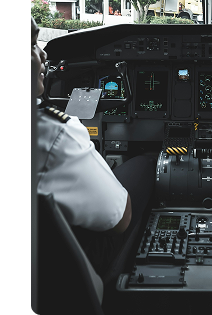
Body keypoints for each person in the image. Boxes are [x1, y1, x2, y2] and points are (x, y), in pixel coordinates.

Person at [35, 18, 143, 273]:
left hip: (45, 267)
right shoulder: (54, 132)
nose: (43, 52)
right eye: (32, 44)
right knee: (144, 166)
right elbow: (121, 220)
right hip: (77, 271)